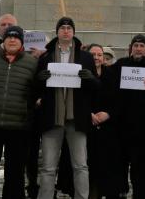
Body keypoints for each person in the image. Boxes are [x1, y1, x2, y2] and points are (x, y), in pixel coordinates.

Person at [35, 17, 99, 199]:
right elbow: (36, 87)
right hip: (52, 117)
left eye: (69, 28)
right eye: (62, 28)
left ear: (73, 32)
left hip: (76, 119)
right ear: (57, 32)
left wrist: (90, 78)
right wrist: (39, 78)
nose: (65, 31)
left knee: (80, 165)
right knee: (48, 167)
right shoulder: (46, 56)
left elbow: (96, 87)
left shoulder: (85, 57)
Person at [0, 25, 38, 199]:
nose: (12, 40)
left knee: (15, 171)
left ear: (21, 42)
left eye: (16, 37)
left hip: (18, 125)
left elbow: (35, 91)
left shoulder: (32, 62)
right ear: (3, 40)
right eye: (9, 37)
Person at [113, 34, 145, 199]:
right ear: (131, 48)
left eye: (142, 46)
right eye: (135, 46)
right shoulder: (121, 65)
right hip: (123, 125)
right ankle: (120, 192)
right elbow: (111, 87)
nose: (138, 49)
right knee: (121, 162)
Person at [86, 43, 121, 199]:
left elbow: (119, 100)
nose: (96, 58)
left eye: (99, 54)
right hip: (86, 126)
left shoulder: (112, 75)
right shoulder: (81, 74)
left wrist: (108, 114)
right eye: (93, 54)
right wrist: (88, 113)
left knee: (108, 165)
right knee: (88, 165)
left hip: (108, 128)